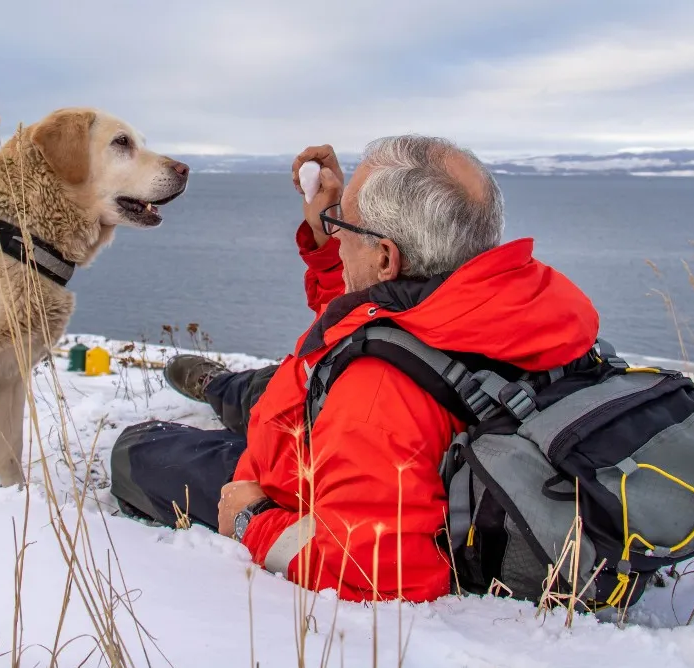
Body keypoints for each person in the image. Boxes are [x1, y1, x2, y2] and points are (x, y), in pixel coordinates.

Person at [110, 135, 599, 602]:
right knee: (261, 389)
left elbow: (374, 572)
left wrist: (251, 519)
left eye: (343, 221)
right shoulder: (498, 302)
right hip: (351, 414)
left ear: (386, 257)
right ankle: (223, 386)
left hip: (307, 462)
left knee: (137, 450)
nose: (335, 226)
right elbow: (369, 315)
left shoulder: (374, 398)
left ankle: (225, 395)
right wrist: (332, 240)